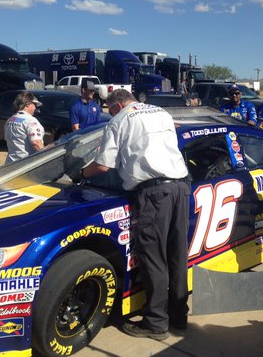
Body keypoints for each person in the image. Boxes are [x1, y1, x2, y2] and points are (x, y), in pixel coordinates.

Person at [81, 89, 190, 341]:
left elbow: (103, 165)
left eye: (110, 110)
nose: (110, 114)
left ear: (117, 105)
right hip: (180, 187)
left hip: (154, 193)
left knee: (153, 258)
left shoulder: (120, 120)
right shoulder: (161, 112)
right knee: (176, 254)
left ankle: (155, 322)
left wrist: (81, 175)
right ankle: (178, 316)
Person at [4, 91, 45, 163]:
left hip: (10, 164)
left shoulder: (10, 120)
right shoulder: (31, 121)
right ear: (28, 104)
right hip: (26, 165)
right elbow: (36, 143)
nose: (35, 108)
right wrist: (46, 158)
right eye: (34, 104)